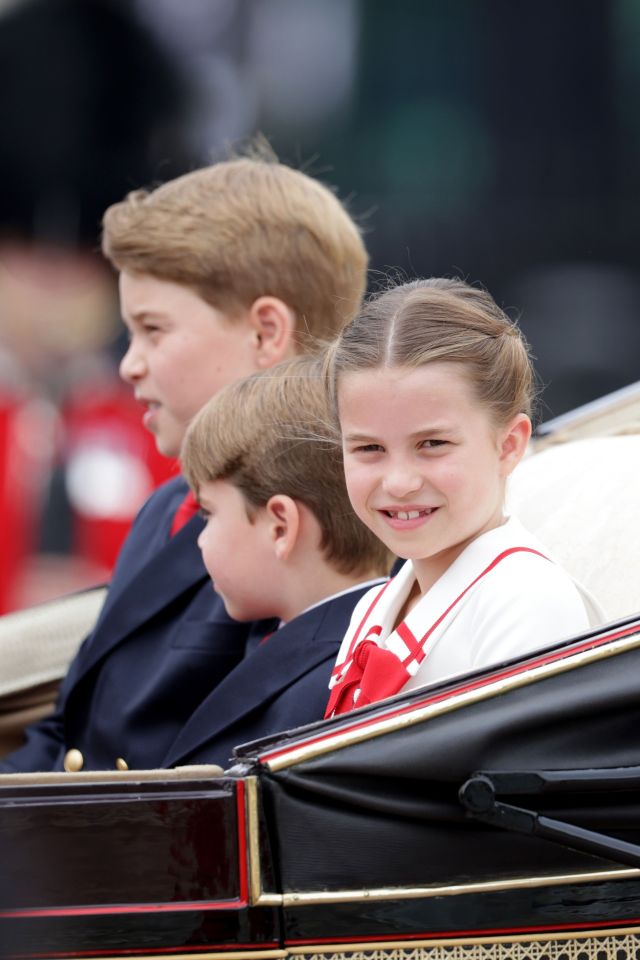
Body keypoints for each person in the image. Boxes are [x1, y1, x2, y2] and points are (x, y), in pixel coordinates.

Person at [0, 150, 369, 772]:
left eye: (154, 330)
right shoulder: (171, 506)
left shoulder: (318, 529)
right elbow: (73, 728)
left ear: (265, 334)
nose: (129, 363)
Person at [324, 278, 606, 718]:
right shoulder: (374, 607)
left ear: (509, 445)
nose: (399, 482)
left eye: (432, 444)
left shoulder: (527, 601)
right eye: (368, 449)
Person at [169, 355, 391, 766]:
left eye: (208, 514)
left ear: (280, 527)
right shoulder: (331, 646)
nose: (200, 540)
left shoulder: (332, 688)